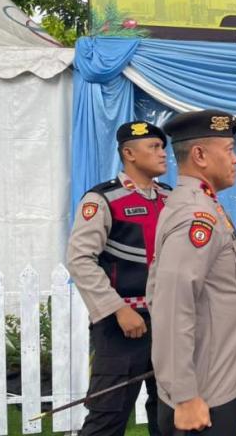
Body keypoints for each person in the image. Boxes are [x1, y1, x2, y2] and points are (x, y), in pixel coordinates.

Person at [147, 110, 236, 435]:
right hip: (205, 390)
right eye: (229, 150)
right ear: (199, 155)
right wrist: (185, 396)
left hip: (216, 376)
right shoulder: (196, 215)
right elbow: (172, 305)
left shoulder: (204, 204)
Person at [66, 121, 169, 436]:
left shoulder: (172, 198)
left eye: (163, 147)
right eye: (154, 147)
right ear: (129, 153)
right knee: (107, 417)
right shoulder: (102, 199)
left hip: (169, 323)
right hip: (122, 326)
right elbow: (80, 259)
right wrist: (118, 309)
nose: (163, 153)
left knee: (170, 414)